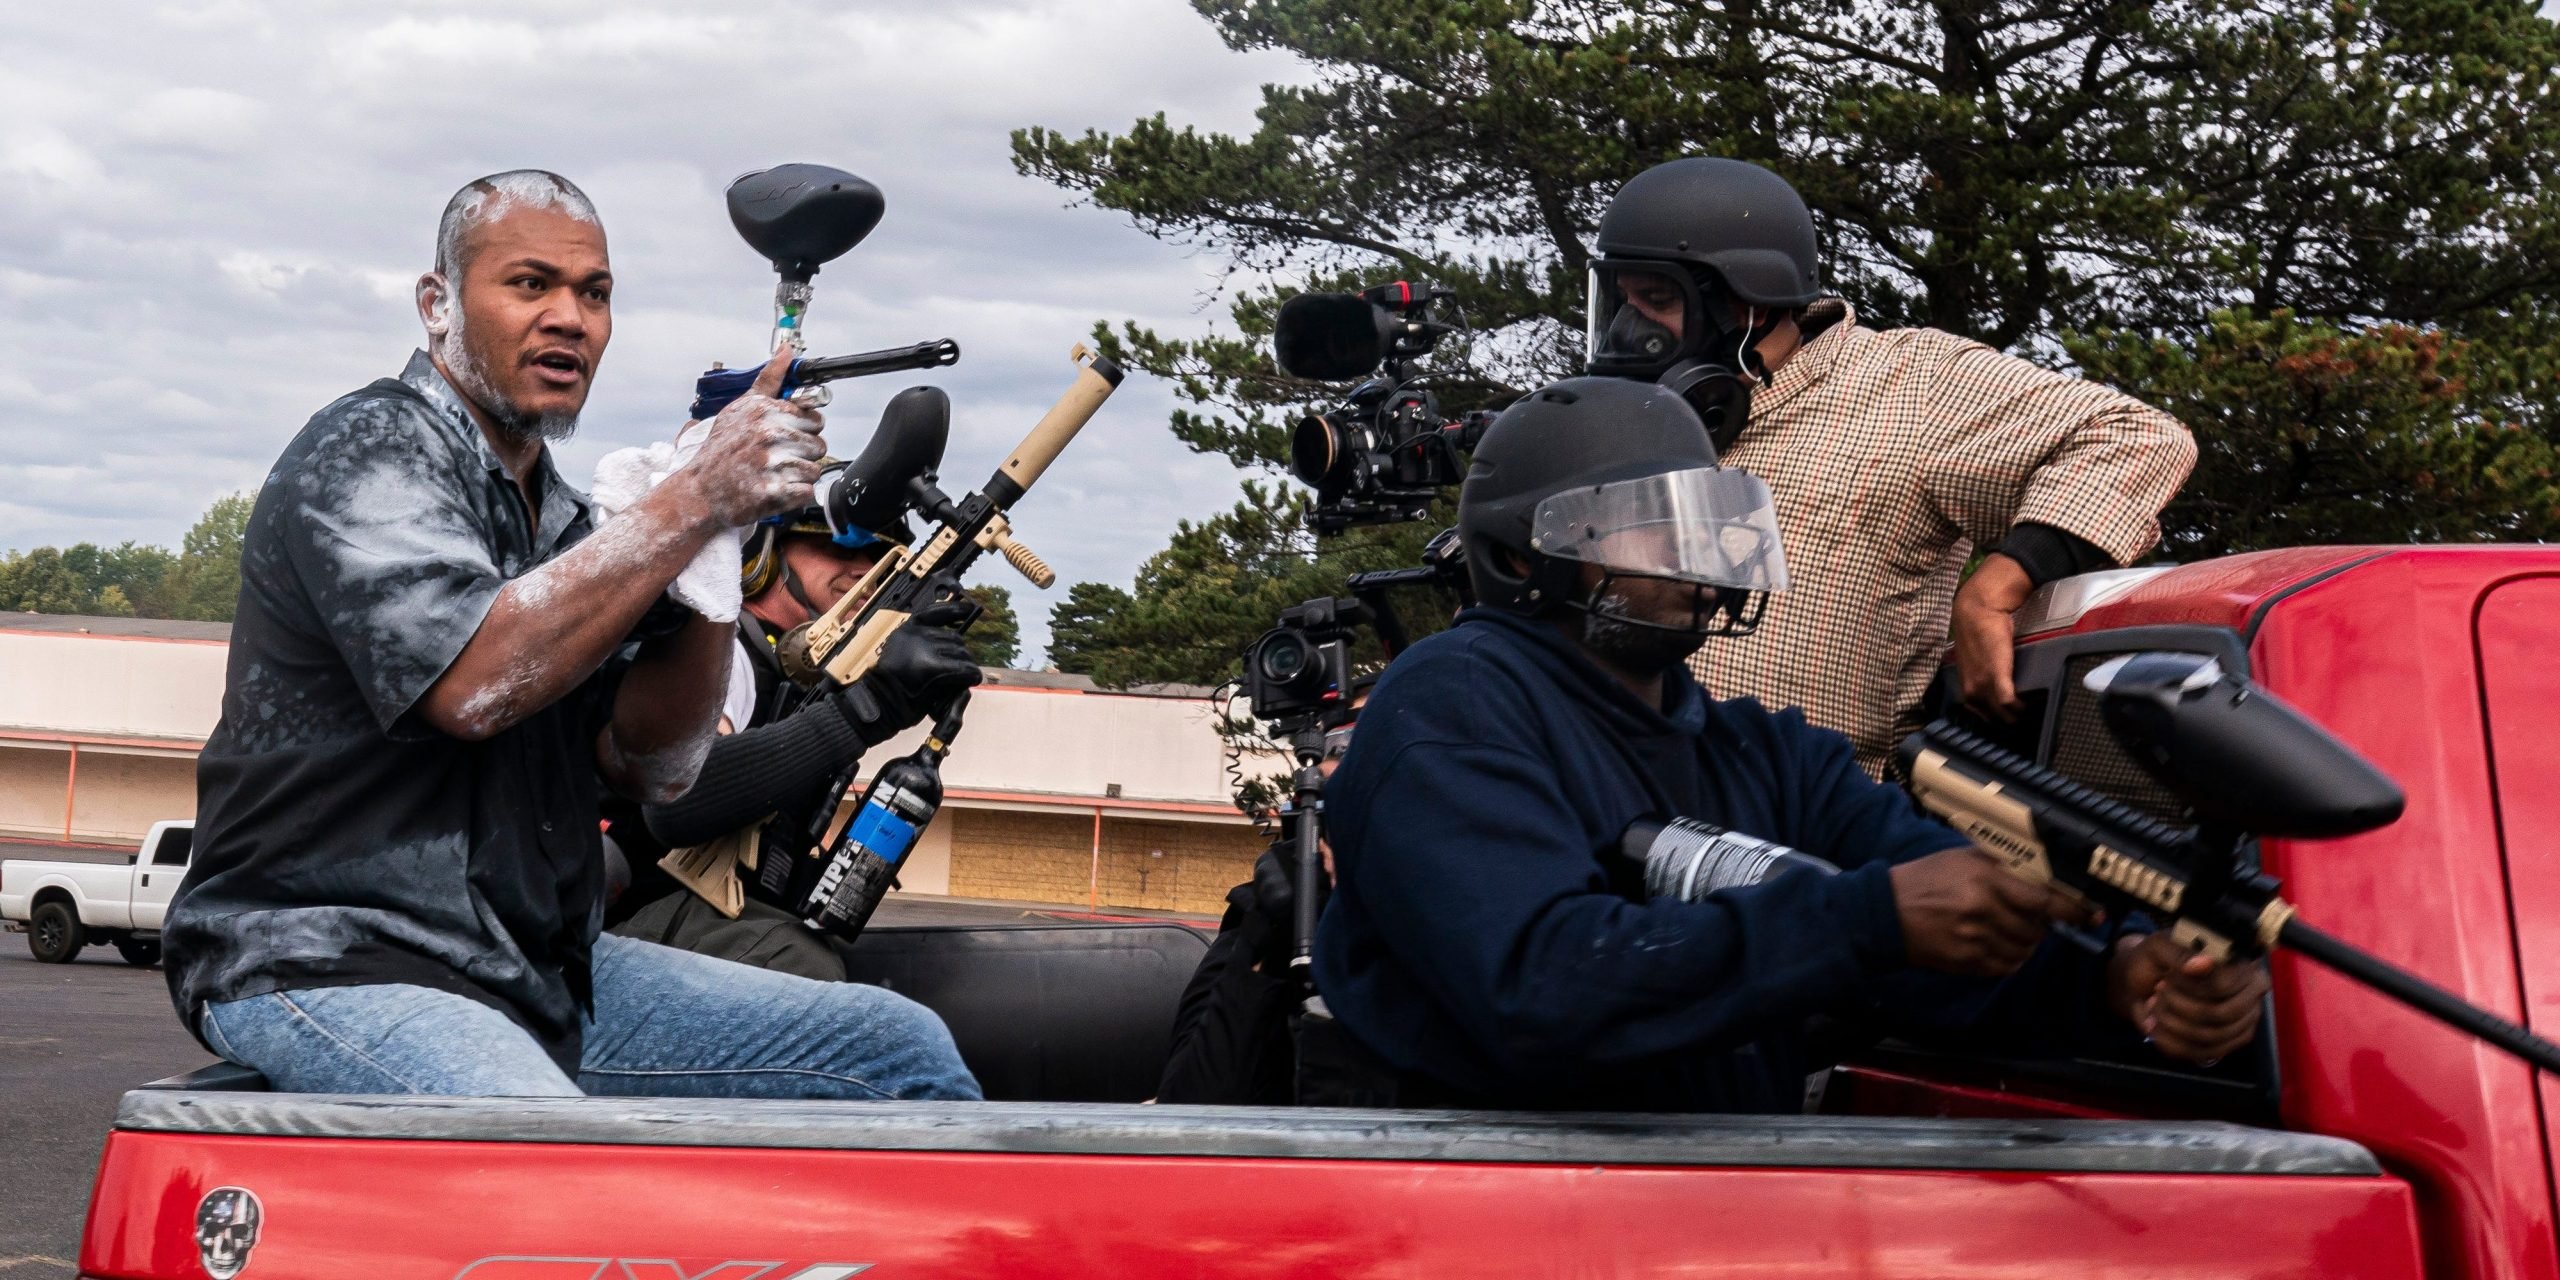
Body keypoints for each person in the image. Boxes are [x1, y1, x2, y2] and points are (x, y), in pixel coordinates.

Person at [162, 170, 979, 1100]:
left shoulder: (574, 521)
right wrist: (690, 498)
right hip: (327, 956)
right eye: (529, 284)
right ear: (437, 304)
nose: (569, 317)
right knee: (548, 1147)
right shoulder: (372, 448)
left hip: (534, 967)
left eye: (594, 294)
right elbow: (474, 684)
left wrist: (710, 559)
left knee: (896, 1055)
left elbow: (655, 765)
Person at [1306, 376, 2263, 1112]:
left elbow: (1937, 909)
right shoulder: (1454, 701)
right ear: (1523, 556)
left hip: (1719, 1211)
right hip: (1479, 1216)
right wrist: (1862, 920)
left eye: (1704, 530)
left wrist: (2119, 980)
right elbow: (1538, 985)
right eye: (1651, 534)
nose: (1694, 564)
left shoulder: (1757, 751)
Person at [1584, 157, 2199, 775]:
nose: (1632, 326)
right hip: (1605, 788)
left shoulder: (1914, 381)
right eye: (1623, 299)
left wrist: (1996, 590)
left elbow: (2139, 436)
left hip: (1802, 822)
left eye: (1658, 299)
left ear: (1747, 300)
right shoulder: (1637, 422)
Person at [602, 485, 980, 979]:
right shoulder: (718, 650)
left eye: (879, 554)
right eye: (841, 546)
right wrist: (866, 710)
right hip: (620, 928)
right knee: (801, 965)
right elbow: (678, 800)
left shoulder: (799, 676)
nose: (865, 568)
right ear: (764, 551)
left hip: (705, 924)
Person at [1155, 683, 1368, 1105]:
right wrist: (1267, 937)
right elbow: (1190, 1107)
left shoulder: (1461, 915)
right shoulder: (1267, 913)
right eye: (1338, 747)